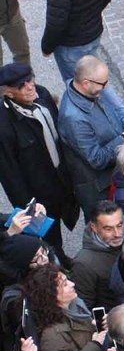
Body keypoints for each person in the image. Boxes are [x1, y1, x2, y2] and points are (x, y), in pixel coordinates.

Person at [0, 62, 78, 251]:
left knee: (69, 213)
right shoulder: (4, 126)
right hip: (40, 194)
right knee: (50, 238)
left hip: (63, 179)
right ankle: (58, 260)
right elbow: (10, 176)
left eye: (29, 79)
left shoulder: (42, 95)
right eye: (21, 85)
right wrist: (29, 207)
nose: (29, 86)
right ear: (8, 93)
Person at [56, 55, 124, 219]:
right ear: (85, 83)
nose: (107, 87)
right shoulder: (74, 118)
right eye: (103, 83)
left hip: (114, 176)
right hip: (100, 188)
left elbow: (117, 115)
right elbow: (97, 158)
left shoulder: (92, 91)